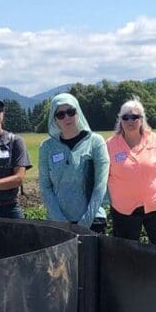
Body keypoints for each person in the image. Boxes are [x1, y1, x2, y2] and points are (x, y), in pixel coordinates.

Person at [38, 91, 109, 231]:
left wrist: (85, 222)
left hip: (93, 221)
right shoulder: (46, 147)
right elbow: (45, 187)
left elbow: (100, 186)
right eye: (60, 114)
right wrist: (62, 222)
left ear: (78, 113)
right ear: (54, 119)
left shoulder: (95, 142)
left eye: (71, 112)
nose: (67, 117)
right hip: (59, 224)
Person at [106, 97, 156, 245]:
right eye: (126, 117)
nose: (130, 121)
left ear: (142, 119)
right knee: (127, 253)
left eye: (135, 117)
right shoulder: (110, 145)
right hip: (124, 209)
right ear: (120, 120)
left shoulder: (155, 140)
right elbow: (105, 175)